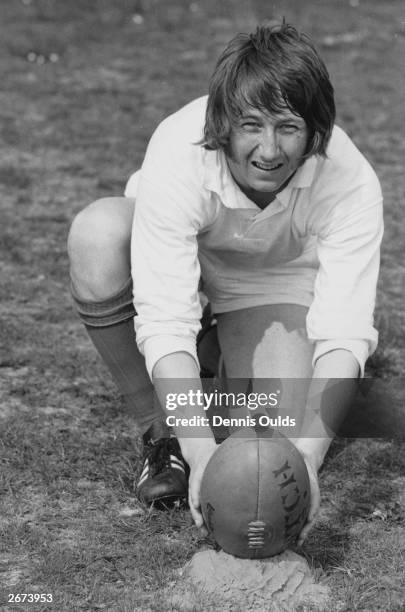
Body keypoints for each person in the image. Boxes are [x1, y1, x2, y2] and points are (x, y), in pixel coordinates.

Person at [67, 22, 383, 545]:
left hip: (270, 282)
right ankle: (161, 429)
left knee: (271, 443)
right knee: (98, 234)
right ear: (221, 125)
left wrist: (306, 457)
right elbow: (165, 319)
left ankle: (218, 347)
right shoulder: (179, 144)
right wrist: (197, 448)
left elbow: (344, 335)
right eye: (251, 125)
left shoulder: (350, 179)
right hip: (185, 255)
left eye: (288, 127)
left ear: (316, 131)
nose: (268, 150)